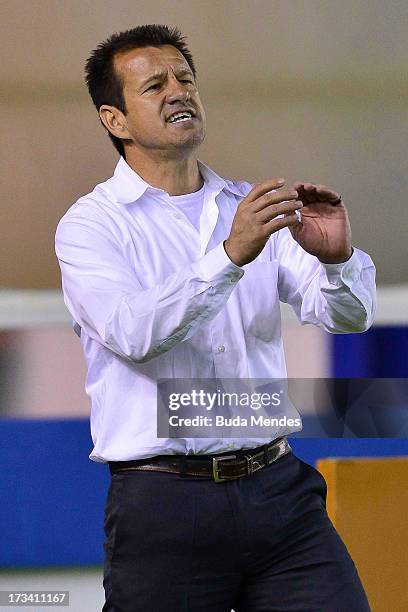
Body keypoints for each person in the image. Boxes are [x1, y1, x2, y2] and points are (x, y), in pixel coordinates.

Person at [55, 24, 375, 612]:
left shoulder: (253, 207)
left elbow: (347, 318)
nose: (178, 91)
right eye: (154, 85)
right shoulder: (91, 226)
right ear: (114, 120)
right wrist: (229, 256)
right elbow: (133, 333)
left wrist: (337, 262)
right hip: (164, 504)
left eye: (185, 78)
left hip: (279, 490)